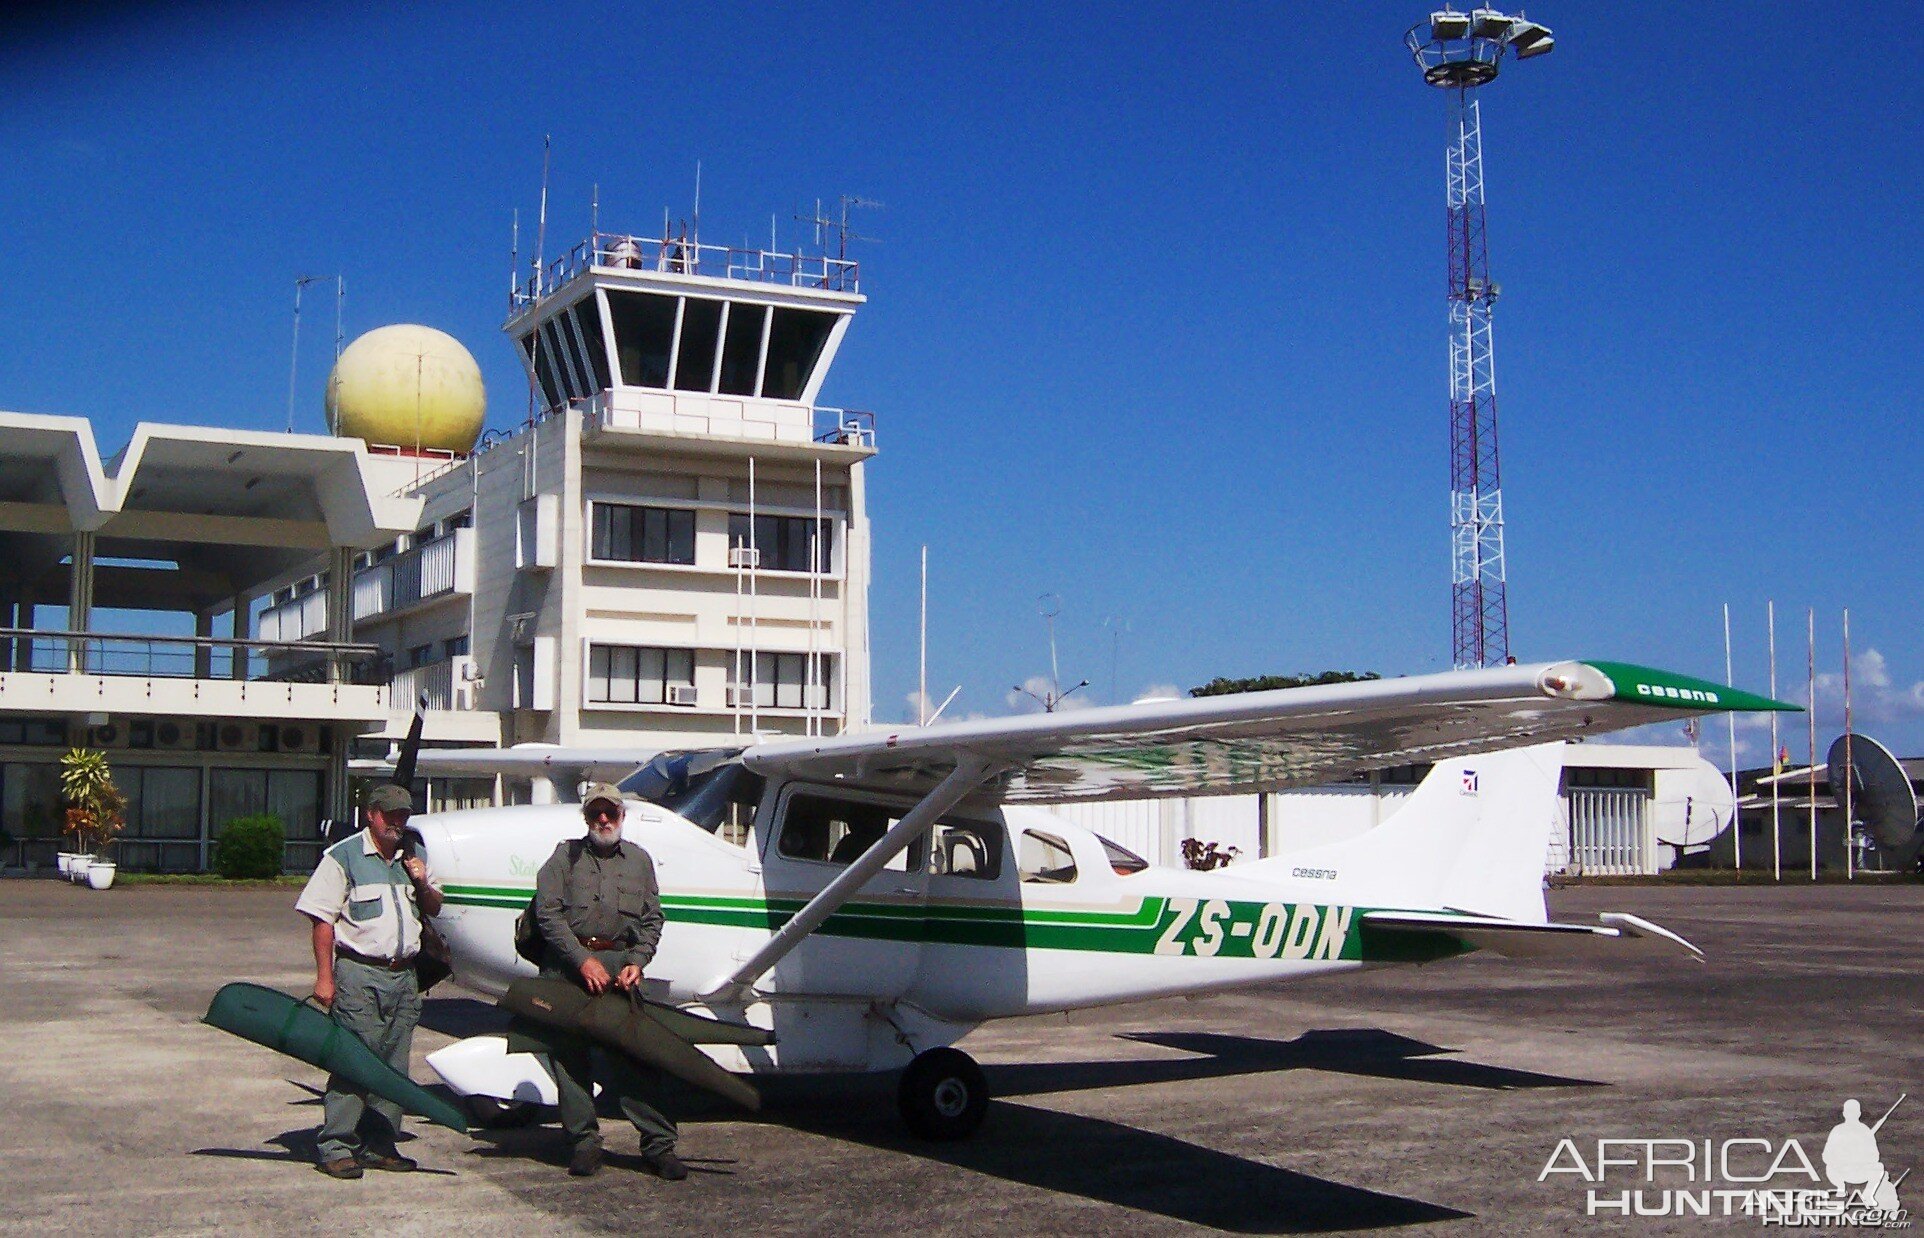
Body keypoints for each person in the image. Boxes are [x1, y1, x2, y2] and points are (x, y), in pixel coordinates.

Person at [514, 782, 682, 1180]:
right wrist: (582, 960)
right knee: (570, 1062)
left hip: (619, 971)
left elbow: (652, 920)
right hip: (568, 969)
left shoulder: (640, 861)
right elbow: (547, 915)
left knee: (635, 1059)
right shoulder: (563, 858)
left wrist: (638, 961)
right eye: (595, 813)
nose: (603, 820)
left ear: (622, 816)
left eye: (610, 812)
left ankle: (659, 1145)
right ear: (585, 818)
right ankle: (584, 1143)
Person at [294, 783, 443, 1179]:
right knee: (353, 1061)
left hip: (403, 975)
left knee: (393, 1066)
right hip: (359, 974)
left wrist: (423, 881)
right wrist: (325, 978)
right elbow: (321, 920)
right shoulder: (342, 857)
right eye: (390, 815)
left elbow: (433, 906)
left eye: (403, 816)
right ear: (371, 815)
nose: (398, 822)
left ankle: (380, 1142)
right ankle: (336, 1144)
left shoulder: (414, 856)